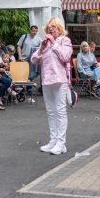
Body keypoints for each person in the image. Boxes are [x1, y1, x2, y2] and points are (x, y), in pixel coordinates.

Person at [31, 18, 73, 156]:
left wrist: (54, 43)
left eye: (54, 27)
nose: (51, 29)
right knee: (50, 111)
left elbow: (66, 57)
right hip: (46, 80)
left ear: (60, 28)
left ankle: (61, 143)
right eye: (49, 27)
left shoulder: (64, 41)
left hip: (60, 80)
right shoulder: (45, 44)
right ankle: (53, 140)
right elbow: (34, 60)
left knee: (60, 111)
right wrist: (42, 48)